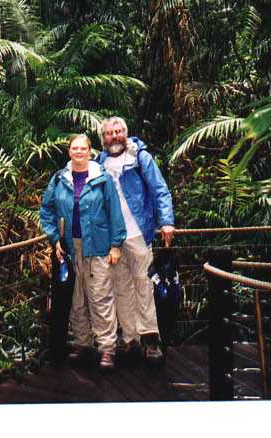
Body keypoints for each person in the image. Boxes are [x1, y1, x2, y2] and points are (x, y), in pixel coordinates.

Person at [39, 133, 126, 369]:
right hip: (70, 247)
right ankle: (83, 343)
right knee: (76, 299)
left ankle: (107, 349)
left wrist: (116, 244)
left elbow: (115, 212)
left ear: (90, 151)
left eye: (82, 148)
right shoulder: (59, 179)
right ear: (69, 152)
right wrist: (55, 238)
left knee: (100, 297)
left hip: (97, 245)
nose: (78, 152)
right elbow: (46, 211)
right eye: (74, 148)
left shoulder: (102, 179)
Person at [97, 116, 176, 362]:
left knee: (144, 284)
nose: (114, 136)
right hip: (113, 239)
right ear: (103, 138)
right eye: (109, 133)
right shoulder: (99, 163)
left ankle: (150, 338)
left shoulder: (140, 158)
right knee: (121, 287)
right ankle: (130, 338)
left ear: (126, 133)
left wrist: (167, 221)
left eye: (118, 131)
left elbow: (159, 188)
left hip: (139, 232)